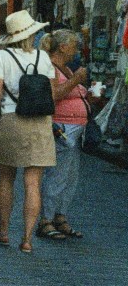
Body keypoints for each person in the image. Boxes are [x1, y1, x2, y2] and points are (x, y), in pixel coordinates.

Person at [0, 10, 57, 254]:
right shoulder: (43, 58)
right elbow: (52, 94)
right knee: (33, 182)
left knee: (6, 179)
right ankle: (26, 239)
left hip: (12, 119)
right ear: (31, 34)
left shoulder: (2, 56)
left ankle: (3, 231)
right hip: (40, 121)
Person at [38, 29, 92, 241]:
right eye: (74, 45)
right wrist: (76, 79)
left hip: (75, 128)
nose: (76, 50)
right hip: (62, 127)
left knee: (70, 177)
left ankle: (60, 216)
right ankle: (46, 219)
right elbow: (53, 95)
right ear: (62, 47)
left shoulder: (66, 68)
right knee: (57, 176)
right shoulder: (50, 67)